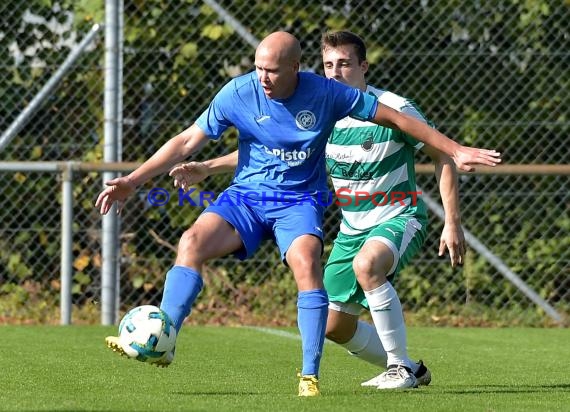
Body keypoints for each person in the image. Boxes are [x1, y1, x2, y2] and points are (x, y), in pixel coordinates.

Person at [96, 31, 500, 397]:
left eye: (271, 71)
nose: (263, 78)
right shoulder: (243, 93)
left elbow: (403, 125)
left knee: (331, 265)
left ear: (296, 67)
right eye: (257, 69)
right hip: (283, 206)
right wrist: (142, 178)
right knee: (197, 245)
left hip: (342, 208)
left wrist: (455, 153)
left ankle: (334, 374)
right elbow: (218, 142)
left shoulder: (336, 98)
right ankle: (163, 338)